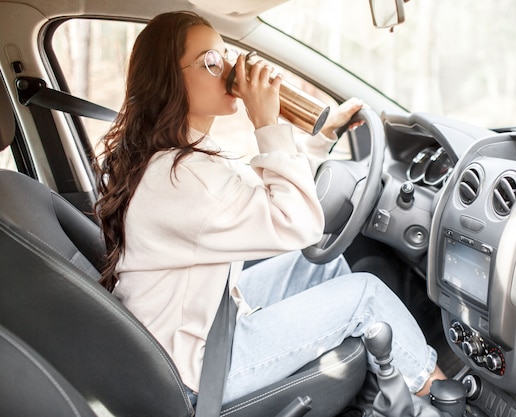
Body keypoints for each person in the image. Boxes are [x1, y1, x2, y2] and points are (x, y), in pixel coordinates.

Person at [94, 10, 446, 410]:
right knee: (364, 294)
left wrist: (320, 137)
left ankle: (394, 391)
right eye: (212, 61)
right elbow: (298, 223)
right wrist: (266, 121)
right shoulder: (184, 176)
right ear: (169, 80)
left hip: (192, 326)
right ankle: (439, 395)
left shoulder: (175, 160)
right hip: (195, 367)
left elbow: (257, 196)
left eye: (225, 55)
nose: (229, 70)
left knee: (318, 266)